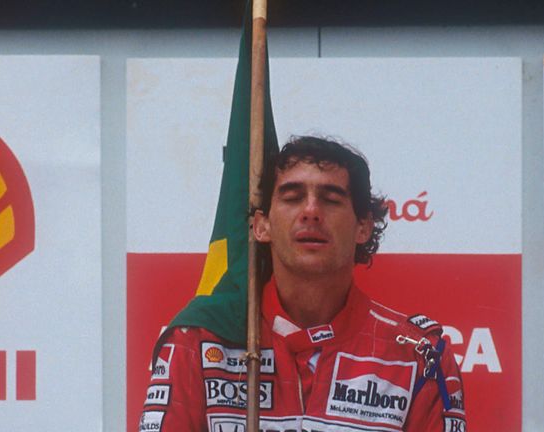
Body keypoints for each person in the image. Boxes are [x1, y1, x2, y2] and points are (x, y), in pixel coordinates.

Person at [139, 136, 466, 432]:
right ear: (261, 226)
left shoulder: (418, 354)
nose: (311, 211)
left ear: (363, 226)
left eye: (331, 199)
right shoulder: (197, 342)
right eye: (293, 197)